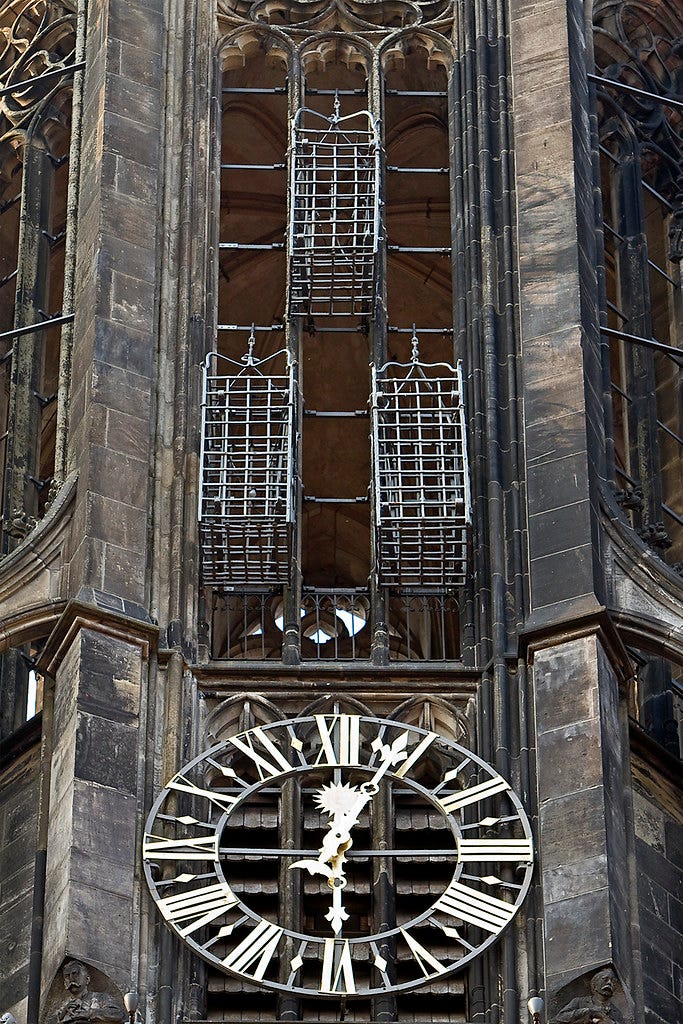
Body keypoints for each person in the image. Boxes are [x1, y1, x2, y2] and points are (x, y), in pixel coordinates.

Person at [56, 961, 125, 1024]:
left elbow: (117, 1014)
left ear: (87, 979)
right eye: (67, 976)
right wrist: (62, 1016)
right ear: (65, 984)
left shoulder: (101, 998)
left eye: (75, 974)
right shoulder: (61, 1008)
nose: (71, 979)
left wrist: (89, 1013)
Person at [553, 968, 626, 1024]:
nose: (609, 983)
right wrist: (587, 1012)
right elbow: (560, 1017)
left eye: (613, 981)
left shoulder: (615, 1011)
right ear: (594, 985)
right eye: (605, 979)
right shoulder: (579, 1001)